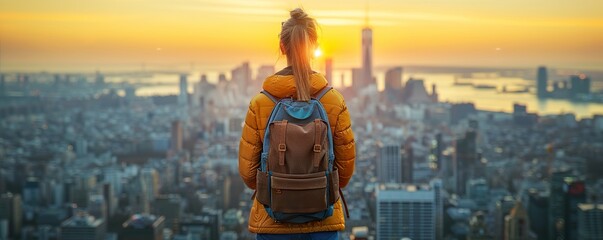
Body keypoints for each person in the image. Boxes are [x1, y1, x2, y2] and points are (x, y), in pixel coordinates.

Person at [238, 8, 356, 240]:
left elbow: (249, 175)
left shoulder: (261, 103)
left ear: (282, 48)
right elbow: (344, 174)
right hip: (323, 222)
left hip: (272, 223)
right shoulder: (333, 100)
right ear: (314, 47)